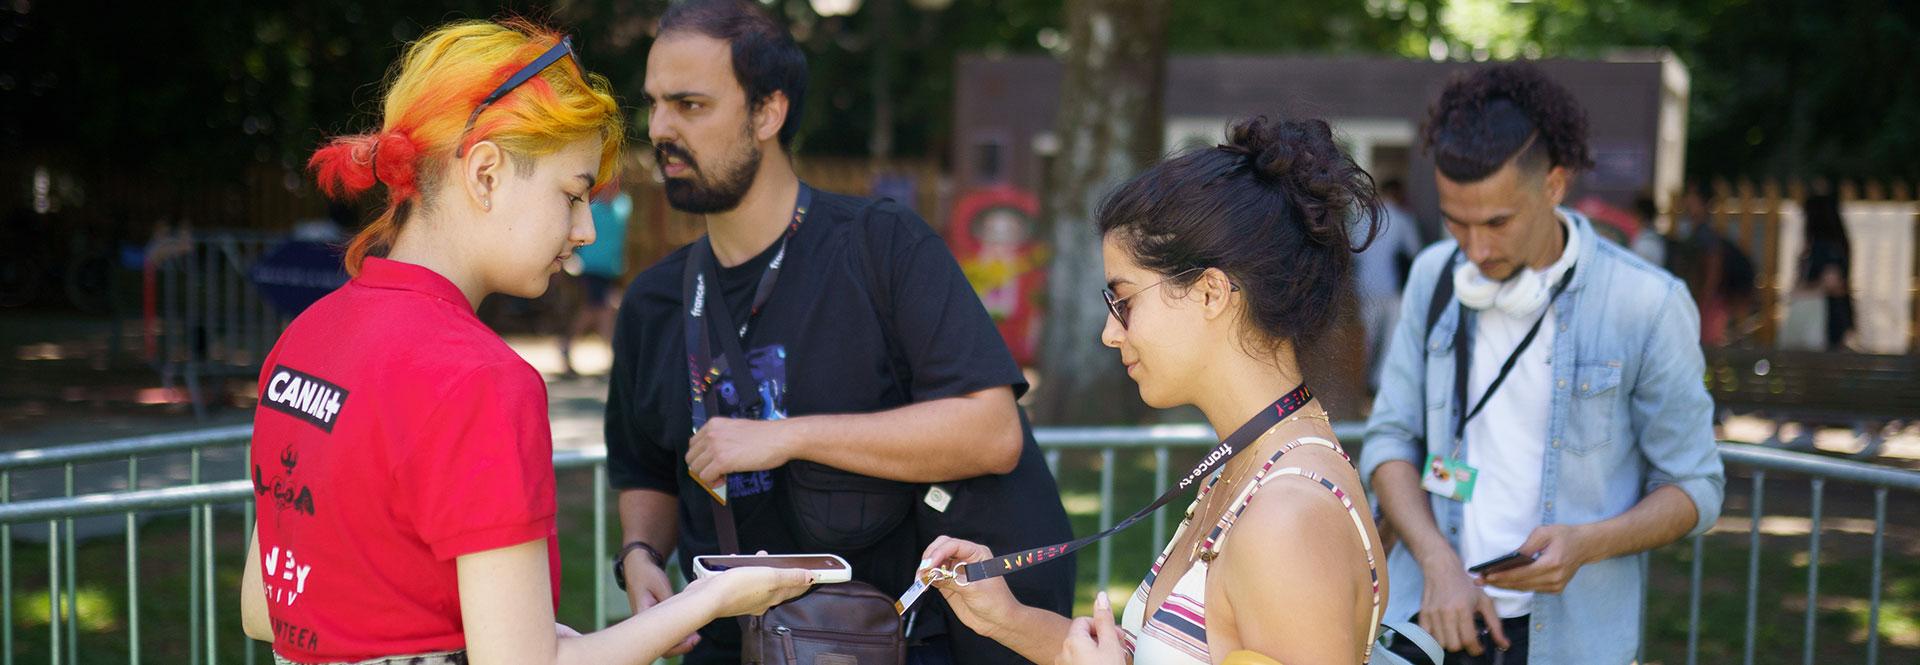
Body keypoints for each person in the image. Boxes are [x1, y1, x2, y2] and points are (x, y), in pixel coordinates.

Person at [238, 20, 813, 665]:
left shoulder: (306, 337)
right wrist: (714, 597)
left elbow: (267, 606)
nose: (586, 230)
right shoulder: (480, 378)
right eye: (572, 195)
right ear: (485, 172)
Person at [603, 2, 1073, 663]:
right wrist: (640, 554)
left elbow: (991, 430)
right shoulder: (653, 302)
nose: (659, 128)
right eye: (653, 104)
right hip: (729, 645)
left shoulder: (881, 247)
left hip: (879, 642)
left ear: (767, 113)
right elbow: (646, 468)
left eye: (690, 105)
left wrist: (787, 437)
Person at [923, 116, 1391, 665]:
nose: (1109, 332)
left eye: (1124, 301)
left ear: (1212, 292)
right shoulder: (1253, 467)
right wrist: (1008, 618)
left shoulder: (1287, 518)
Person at [1361, 62, 1724, 665]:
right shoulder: (1433, 275)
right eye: (1456, 222)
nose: (1475, 250)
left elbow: (1695, 486)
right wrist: (1436, 559)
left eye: (1498, 222)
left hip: (1570, 640)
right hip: (1431, 618)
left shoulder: (1647, 304)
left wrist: (1587, 544)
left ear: (1555, 185)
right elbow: (1391, 439)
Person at [1357, 178, 1427, 393]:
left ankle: (1359, 380)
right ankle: (1378, 383)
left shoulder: (1362, 220)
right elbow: (1416, 251)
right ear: (1398, 194)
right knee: (1389, 339)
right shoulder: (1401, 219)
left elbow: (1352, 252)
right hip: (1392, 288)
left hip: (1365, 287)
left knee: (1367, 337)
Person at [559, 183, 631, 376]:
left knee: (596, 309)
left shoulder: (623, 206)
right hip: (591, 267)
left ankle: (567, 346)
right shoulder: (592, 209)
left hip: (610, 269)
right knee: (603, 308)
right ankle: (614, 359)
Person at [1780, 192, 1853, 351]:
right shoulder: (1836, 246)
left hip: (1824, 319)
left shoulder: (1823, 248)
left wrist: (1801, 291)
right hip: (1831, 319)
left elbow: (1832, 283)